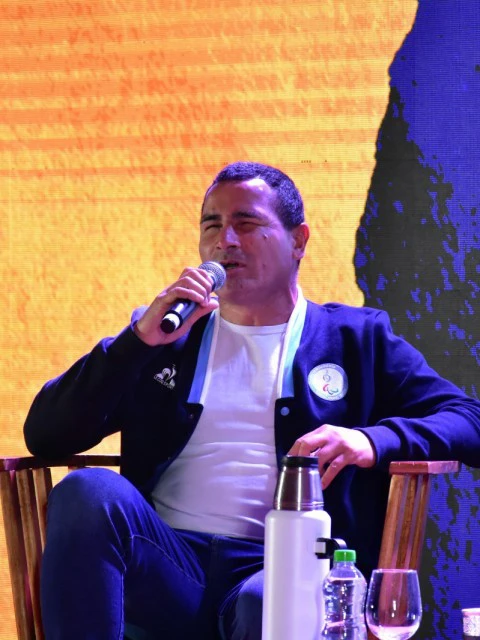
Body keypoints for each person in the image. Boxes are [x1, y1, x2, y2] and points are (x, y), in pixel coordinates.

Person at [24, 161, 480, 640]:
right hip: (167, 566)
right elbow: (47, 435)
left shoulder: (356, 339)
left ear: (298, 241)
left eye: (246, 223)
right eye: (212, 225)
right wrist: (134, 344)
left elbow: (470, 420)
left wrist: (372, 441)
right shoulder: (165, 337)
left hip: (283, 567)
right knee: (88, 491)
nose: (225, 240)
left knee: (269, 602)